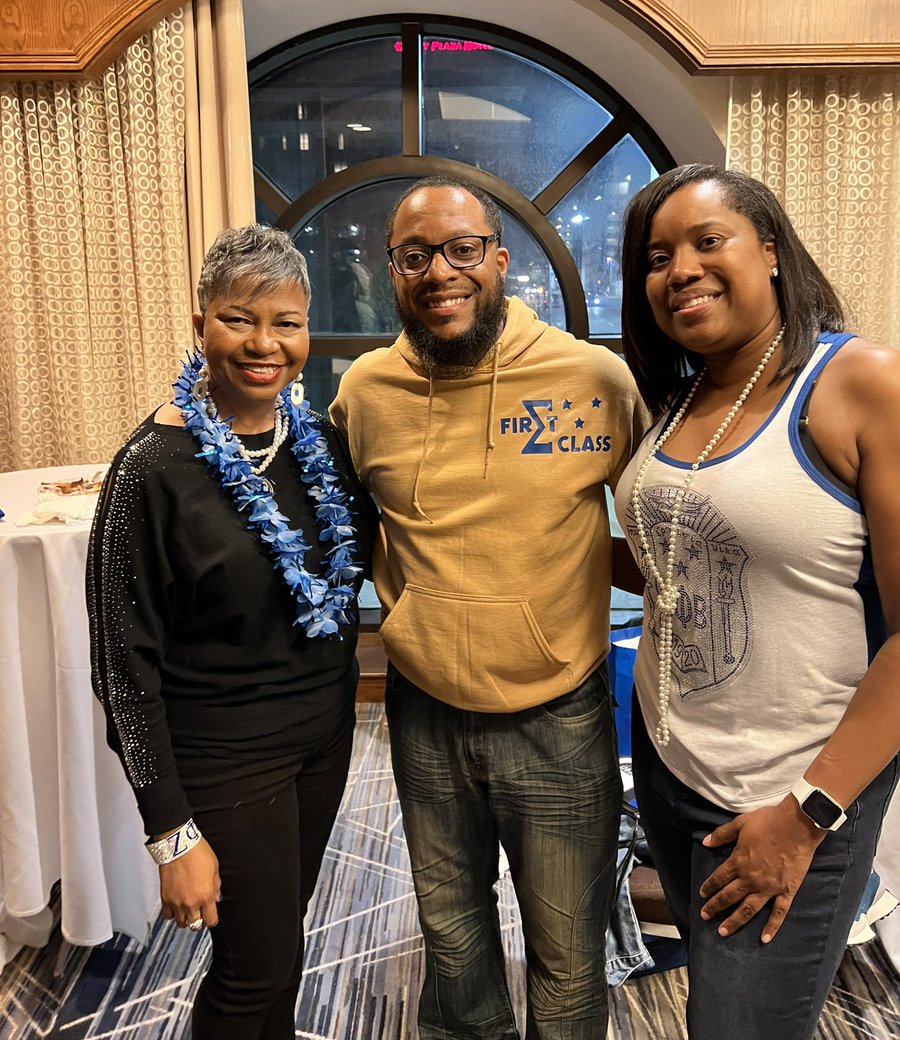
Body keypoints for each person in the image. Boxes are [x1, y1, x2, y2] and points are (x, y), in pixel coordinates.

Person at [330, 175, 647, 1038]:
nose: (440, 271)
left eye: (462, 249)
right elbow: (339, 531)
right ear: (391, 271)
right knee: (454, 941)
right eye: (415, 255)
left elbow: (663, 525)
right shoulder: (364, 393)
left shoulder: (592, 378)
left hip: (559, 715)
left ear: (500, 260)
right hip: (424, 710)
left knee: (568, 955)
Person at [615, 164, 900, 1039]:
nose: (681, 270)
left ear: (770, 249)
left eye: (709, 241)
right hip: (672, 766)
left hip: (792, 792)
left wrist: (808, 814)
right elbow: (685, 562)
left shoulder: (861, 383)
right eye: (658, 257)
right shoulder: (685, 392)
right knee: (716, 1002)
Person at [88, 225, 376, 1040]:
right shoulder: (149, 469)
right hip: (222, 751)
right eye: (240, 319)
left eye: (286, 322)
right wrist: (170, 831)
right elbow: (120, 667)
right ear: (201, 324)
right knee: (252, 970)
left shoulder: (319, 442)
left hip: (321, 739)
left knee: (281, 947)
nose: (265, 344)